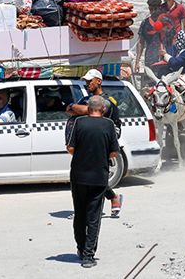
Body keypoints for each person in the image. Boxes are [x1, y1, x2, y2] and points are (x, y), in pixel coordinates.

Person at [66, 96, 120, 268]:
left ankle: (81, 249)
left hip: (78, 176)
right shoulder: (109, 125)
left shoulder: (79, 123)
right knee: (94, 217)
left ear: (88, 109)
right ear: (103, 110)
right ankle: (89, 256)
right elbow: (114, 153)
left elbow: (70, 148)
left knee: (79, 214)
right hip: (99, 177)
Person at [65, 70, 124, 216]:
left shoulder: (107, 100)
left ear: (98, 81)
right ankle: (111, 198)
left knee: (96, 174)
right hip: (87, 138)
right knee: (88, 173)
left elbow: (89, 111)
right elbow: (68, 109)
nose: (87, 83)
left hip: (103, 139)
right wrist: (75, 108)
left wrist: (76, 108)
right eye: (86, 80)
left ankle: (112, 198)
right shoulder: (86, 99)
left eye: (90, 80)